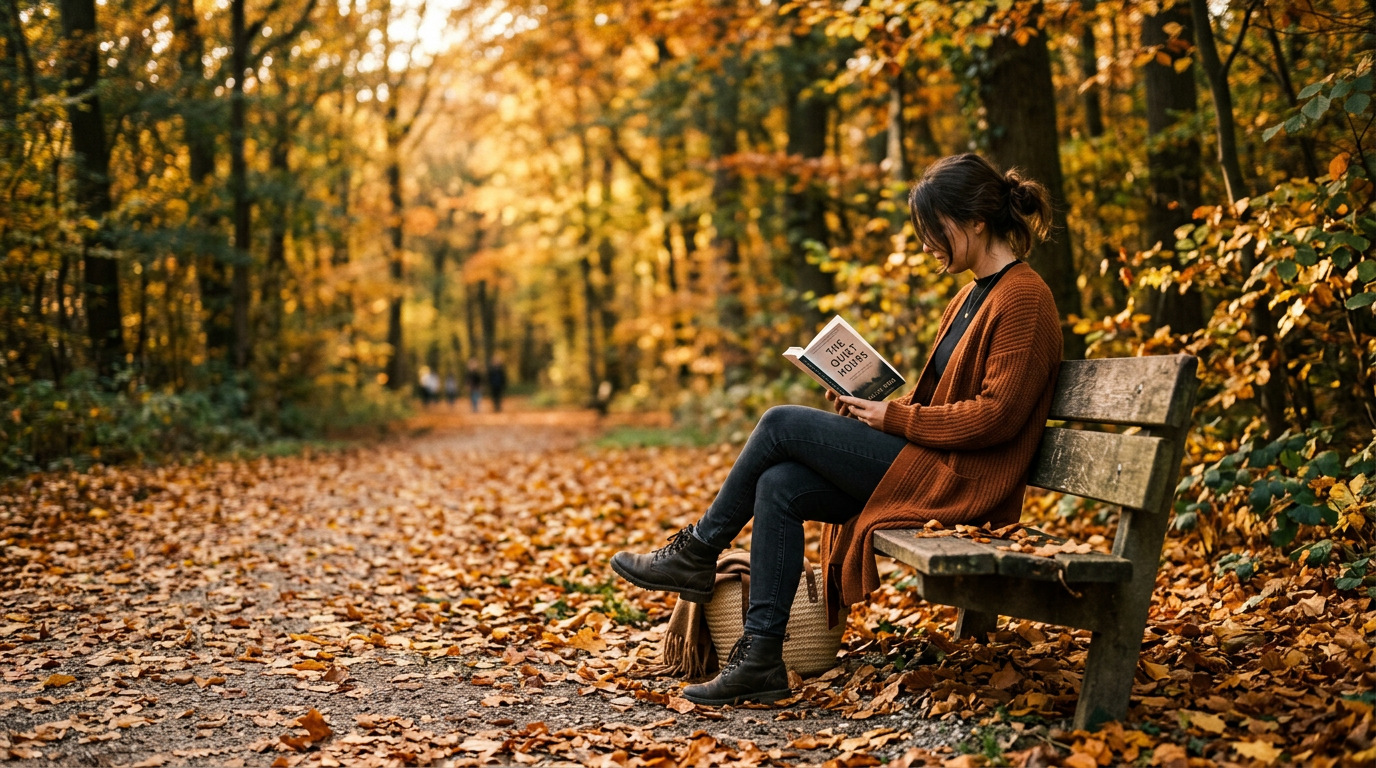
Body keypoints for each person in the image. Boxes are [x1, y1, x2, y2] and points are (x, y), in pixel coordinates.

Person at [611, 154, 1064, 707]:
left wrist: (893, 418)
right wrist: (868, 405)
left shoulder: (1023, 297)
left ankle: (698, 550)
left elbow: (996, 415)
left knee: (779, 421)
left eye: (933, 229)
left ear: (975, 221)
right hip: (930, 463)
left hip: (961, 482)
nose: (925, 244)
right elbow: (943, 405)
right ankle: (760, 660)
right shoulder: (970, 297)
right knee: (778, 483)